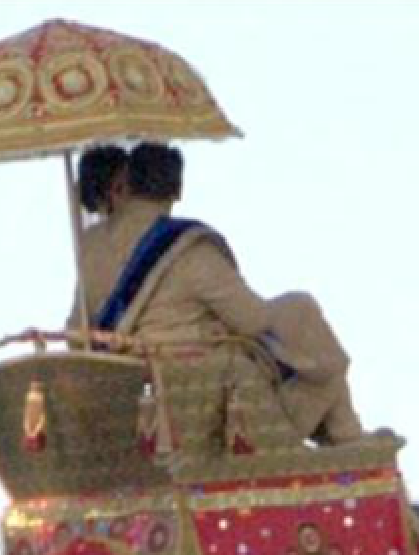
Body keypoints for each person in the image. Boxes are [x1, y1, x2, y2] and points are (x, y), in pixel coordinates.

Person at [68, 143, 367, 445]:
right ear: (177, 191)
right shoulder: (191, 248)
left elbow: (75, 329)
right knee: (306, 321)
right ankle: (342, 435)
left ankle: (344, 431)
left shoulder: (92, 246)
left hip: (127, 383)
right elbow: (251, 319)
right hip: (195, 384)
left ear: (128, 183)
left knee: (298, 342)